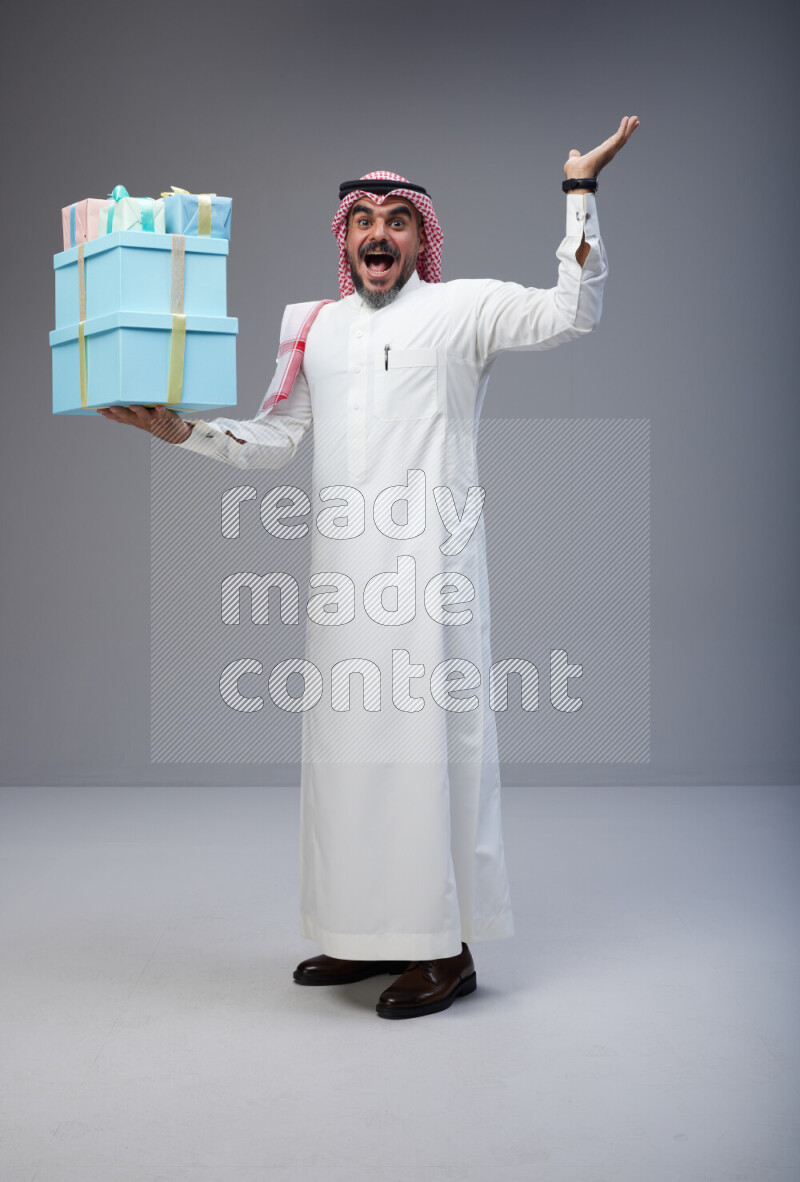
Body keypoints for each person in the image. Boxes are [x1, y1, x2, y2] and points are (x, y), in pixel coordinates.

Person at [99, 116, 640, 1020]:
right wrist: (181, 429)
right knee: (350, 758)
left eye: (397, 219)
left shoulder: (464, 307)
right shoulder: (314, 328)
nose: (379, 233)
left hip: (433, 581)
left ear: (420, 236)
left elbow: (571, 310)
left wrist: (579, 191)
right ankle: (363, 933)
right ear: (344, 237)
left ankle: (445, 949)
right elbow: (276, 441)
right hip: (343, 582)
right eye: (364, 220)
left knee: (431, 757)